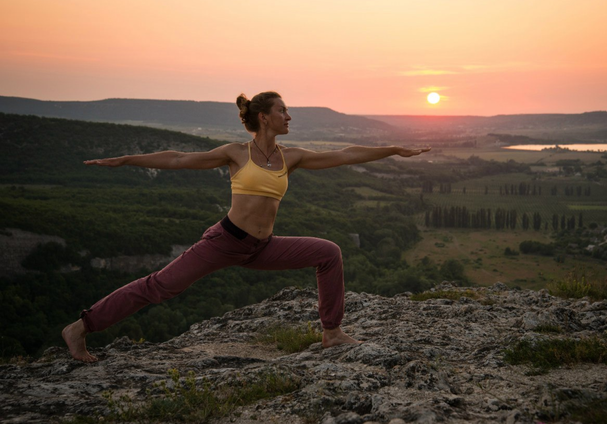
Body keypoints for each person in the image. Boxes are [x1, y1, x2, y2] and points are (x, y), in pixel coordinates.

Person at [62, 91, 430, 362]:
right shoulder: (236, 153)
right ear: (265, 117)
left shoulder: (293, 157)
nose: (290, 116)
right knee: (160, 287)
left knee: (329, 253)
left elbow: (346, 154)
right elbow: (176, 157)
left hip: (263, 247)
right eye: (283, 111)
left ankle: (331, 333)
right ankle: (81, 327)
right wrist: (126, 159)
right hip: (225, 241)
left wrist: (393, 149)